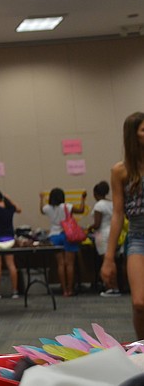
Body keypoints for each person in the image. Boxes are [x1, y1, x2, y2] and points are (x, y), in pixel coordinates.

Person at [102, 112, 144, 340]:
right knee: (139, 303)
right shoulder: (121, 170)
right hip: (138, 237)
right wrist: (109, 258)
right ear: (132, 135)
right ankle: (142, 350)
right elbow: (117, 214)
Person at [40, 187, 86, 297]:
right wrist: (83, 198)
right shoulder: (67, 206)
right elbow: (81, 210)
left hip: (54, 236)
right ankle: (70, 289)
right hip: (67, 235)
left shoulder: (47, 208)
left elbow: (41, 210)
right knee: (69, 264)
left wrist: (41, 198)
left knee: (60, 264)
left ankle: (64, 290)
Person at [89, 180, 120, 296]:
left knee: (106, 261)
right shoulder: (112, 203)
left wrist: (89, 228)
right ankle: (115, 286)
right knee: (112, 260)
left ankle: (109, 287)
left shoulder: (99, 205)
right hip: (112, 232)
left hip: (102, 234)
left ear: (96, 193)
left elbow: (97, 224)